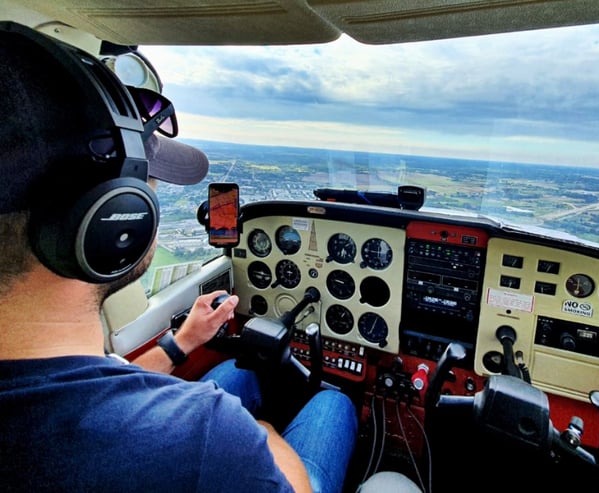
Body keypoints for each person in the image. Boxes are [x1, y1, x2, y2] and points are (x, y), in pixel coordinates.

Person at [0, 21, 357, 493]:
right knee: (336, 405)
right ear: (115, 218)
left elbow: (94, 382)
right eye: (150, 181)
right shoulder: (211, 433)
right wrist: (262, 437)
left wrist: (179, 343)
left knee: (234, 372)